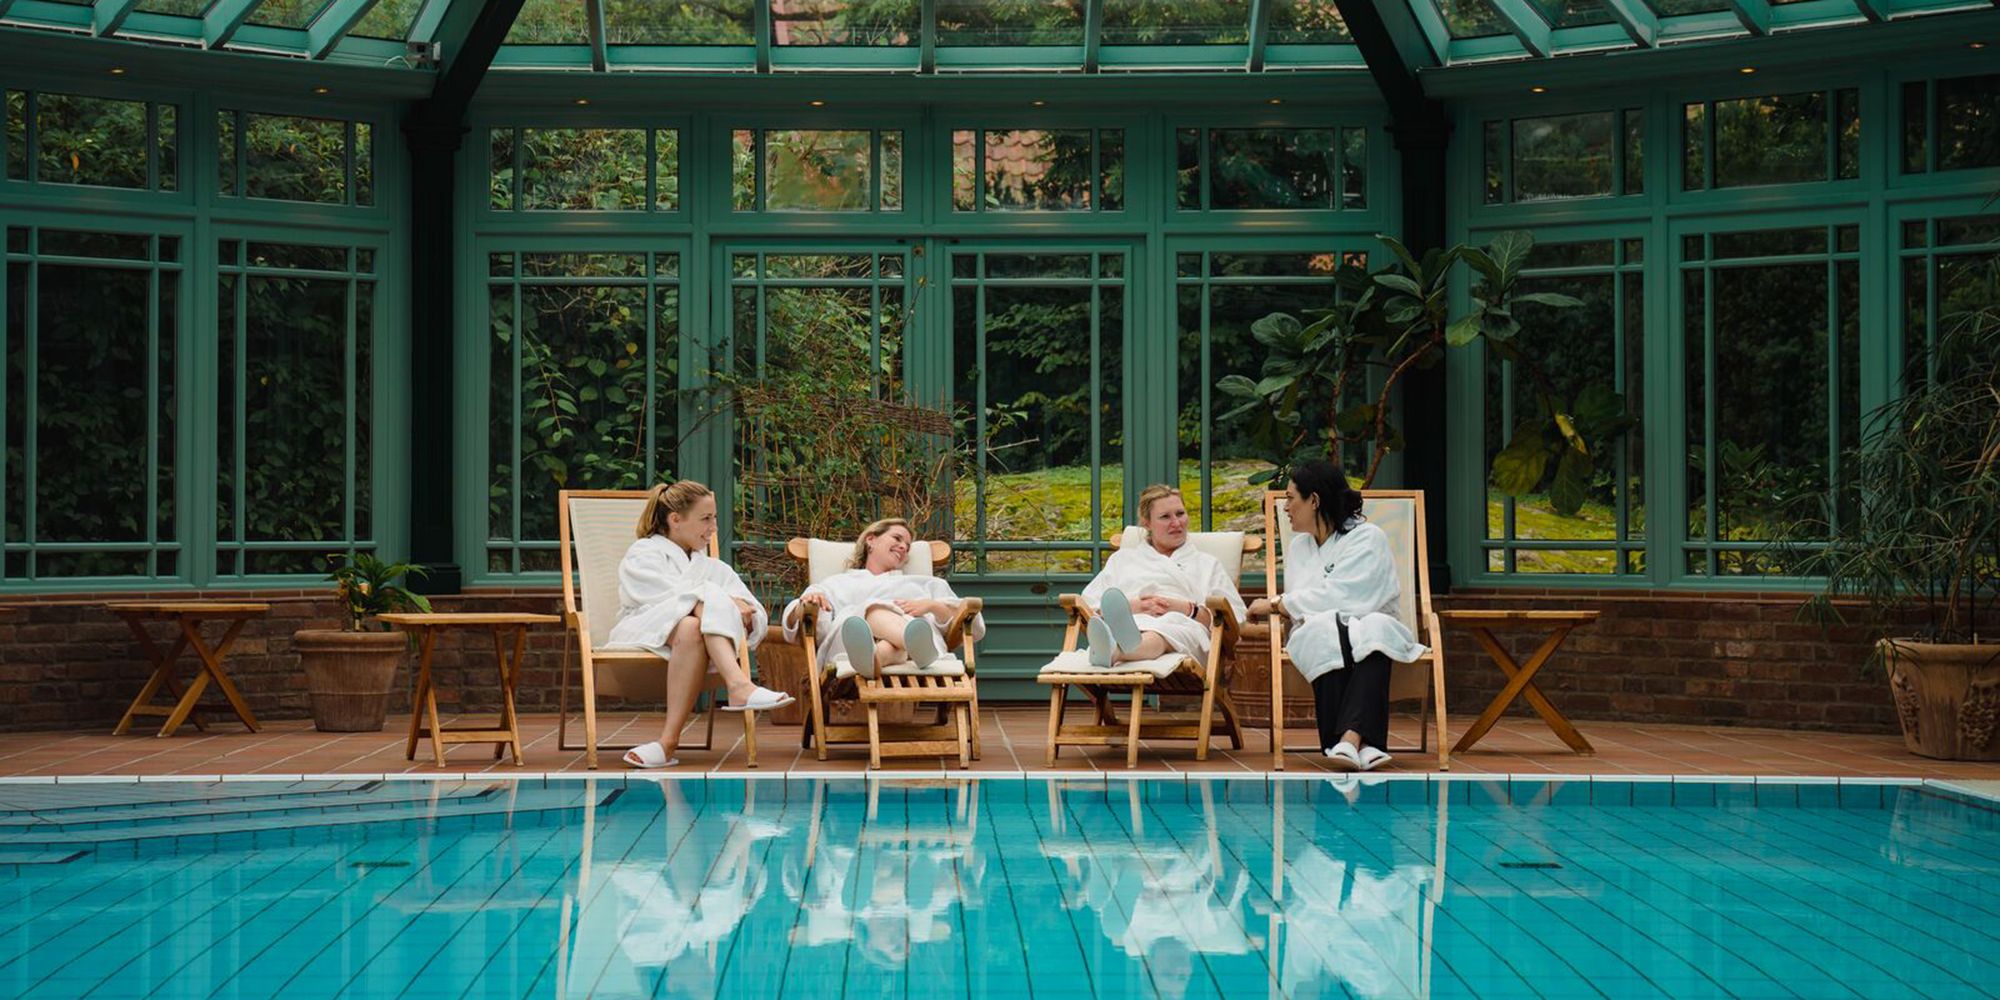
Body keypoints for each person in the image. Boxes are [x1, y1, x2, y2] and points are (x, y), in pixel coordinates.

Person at [1248, 460, 1426, 771]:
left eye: (1291, 498)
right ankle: (1366, 743)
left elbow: (1349, 596)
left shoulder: (1368, 537)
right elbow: (1313, 603)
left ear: (1313, 500)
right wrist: (1299, 605)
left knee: (1374, 631)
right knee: (1323, 631)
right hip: (1324, 631)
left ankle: (1349, 739)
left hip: (1371, 624)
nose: (1285, 507)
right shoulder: (1300, 547)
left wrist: (1276, 603)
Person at [606, 480, 794, 769]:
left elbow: (753, 611)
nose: (714, 527)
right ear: (675, 520)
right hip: (640, 632)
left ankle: (667, 743)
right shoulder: (643, 554)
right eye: (706, 519)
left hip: (691, 643)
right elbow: (664, 598)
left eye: (715, 518)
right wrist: (719, 603)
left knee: (692, 626)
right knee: (695, 609)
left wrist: (728, 605)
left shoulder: (711, 566)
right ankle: (738, 684)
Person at [781, 517, 984, 676]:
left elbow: (972, 624)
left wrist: (931, 606)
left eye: (908, 545)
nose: (904, 547)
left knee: (894, 645)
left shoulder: (925, 583)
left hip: (889, 656)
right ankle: (915, 646)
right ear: (871, 540)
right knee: (873, 609)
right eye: (897, 538)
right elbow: (801, 620)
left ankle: (878, 658)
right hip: (851, 648)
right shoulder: (837, 583)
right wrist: (807, 602)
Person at [1079, 484, 1246, 668]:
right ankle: (1120, 641)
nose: (1176, 523)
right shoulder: (1123, 560)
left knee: (1164, 631)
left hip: (1184, 627)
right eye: (1165, 517)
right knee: (1137, 626)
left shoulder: (1206, 564)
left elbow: (1235, 619)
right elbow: (1088, 606)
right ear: (1147, 523)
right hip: (1136, 621)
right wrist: (1133, 607)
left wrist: (1187, 609)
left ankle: (1114, 651)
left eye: (1180, 514)